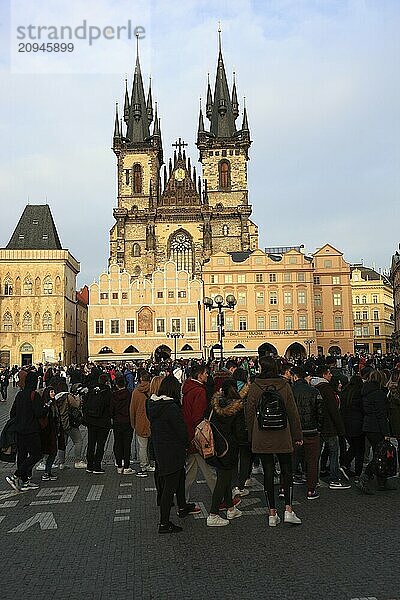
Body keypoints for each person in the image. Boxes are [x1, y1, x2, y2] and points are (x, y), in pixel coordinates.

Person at [246, 356, 303, 526]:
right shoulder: (284, 385)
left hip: (262, 434)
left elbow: (249, 413)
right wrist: (297, 435)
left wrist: (251, 436)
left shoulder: (255, 386)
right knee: (287, 471)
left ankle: (272, 513)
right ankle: (288, 510)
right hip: (282, 432)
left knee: (268, 472)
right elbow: (293, 412)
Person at [147, 374, 191, 534]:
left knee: (179, 479)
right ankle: (164, 523)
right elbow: (180, 430)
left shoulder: (152, 404)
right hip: (172, 451)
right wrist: (186, 443)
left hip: (161, 449)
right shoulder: (171, 407)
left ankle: (183, 506)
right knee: (169, 487)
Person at [207, 378, 246, 527]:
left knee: (225, 477)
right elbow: (240, 431)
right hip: (231, 447)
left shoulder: (215, 405)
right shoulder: (237, 407)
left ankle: (230, 508)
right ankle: (213, 513)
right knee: (223, 480)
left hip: (217, 446)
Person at [6, 370, 47, 492]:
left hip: (19, 430)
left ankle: (23, 482)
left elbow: (12, 413)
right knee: (36, 454)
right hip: (31, 430)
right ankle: (16, 475)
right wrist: (47, 407)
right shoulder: (34, 395)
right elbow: (40, 413)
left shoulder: (20, 394)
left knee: (22, 455)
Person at [311, 365, 351, 490]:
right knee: (334, 453)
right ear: (324, 375)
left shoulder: (313, 387)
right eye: (329, 373)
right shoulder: (326, 389)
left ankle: (314, 479)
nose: (331, 375)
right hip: (329, 427)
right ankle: (334, 479)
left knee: (316, 454)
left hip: (317, 427)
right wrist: (341, 429)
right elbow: (334, 411)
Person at [182, 363, 217, 502]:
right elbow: (197, 417)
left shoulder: (187, 388)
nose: (207, 375)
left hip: (189, 434)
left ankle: (182, 499)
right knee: (209, 470)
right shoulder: (199, 391)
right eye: (205, 373)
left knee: (191, 472)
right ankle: (221, 498)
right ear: (199, 375)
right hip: (198, 437)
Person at [358, 370, 395, 493]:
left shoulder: (366, 391)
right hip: (377, 427)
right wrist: (386, 433)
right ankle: (365, 477)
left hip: (368, 425)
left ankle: (381, 481)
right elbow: (381, 415)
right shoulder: (378, 394)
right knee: (381, 455)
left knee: (378, 453)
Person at [290, 366, 323, 500]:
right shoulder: (314, 391)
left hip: (295, 432)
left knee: (290, 460)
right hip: (312, 431)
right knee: (312, 461)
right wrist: (318, 427)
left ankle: (283, 488)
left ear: (295, 377)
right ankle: (311, 490)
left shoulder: (290, 391)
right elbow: (321, 412)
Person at [53, 379, 86, 469]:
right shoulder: (67, 396)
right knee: (78, 441)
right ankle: (78, 461)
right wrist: (78, 398)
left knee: (62, 444)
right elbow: (76, 405)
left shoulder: (55, 397)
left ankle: (61, 463)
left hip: (60, 424)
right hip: (69, 422)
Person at [84, 374, 112, 474]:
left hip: (91, 421)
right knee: (100, 444)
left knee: (91, 443)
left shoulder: (92, 390)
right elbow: (110, 407)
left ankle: (89, 465)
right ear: (107, 381)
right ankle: (97, 466)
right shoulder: (108, 392)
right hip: (103, 423)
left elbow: (85, 404)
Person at [340, 374, 365, 481]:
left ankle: (344, 464)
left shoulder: (345, 392)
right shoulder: (360, 393)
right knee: (359, 449)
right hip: (358, 425)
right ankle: (357, 472)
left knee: (353, 447)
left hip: (345, 424)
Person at [130, 369, 152, 477]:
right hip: (152, 421)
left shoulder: (135, 392)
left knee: (142, 446)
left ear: (140, 379)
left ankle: (144, 465)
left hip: (140, 421)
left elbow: (132, 409)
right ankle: (152, 463)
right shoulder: (153, 390)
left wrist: (133, 422)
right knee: (151, 445)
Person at [111, 375, 134, 474]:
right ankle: (127, 466)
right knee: (127, 444)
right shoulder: (129, 394)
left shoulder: (114, 395)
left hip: (117, 421)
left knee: (118, 443)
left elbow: (111, 409)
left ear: (116, 385)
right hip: (127, 421)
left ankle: (119, 465)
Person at [39, 386, 59, 481]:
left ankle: (48, 471)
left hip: (52, 431)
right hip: (46, 432)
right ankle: (46, 472)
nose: (53, 393)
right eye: (51, 392)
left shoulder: (54, 404)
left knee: (52, 452)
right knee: (49, 452)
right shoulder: (46, 404)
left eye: (54, 391)